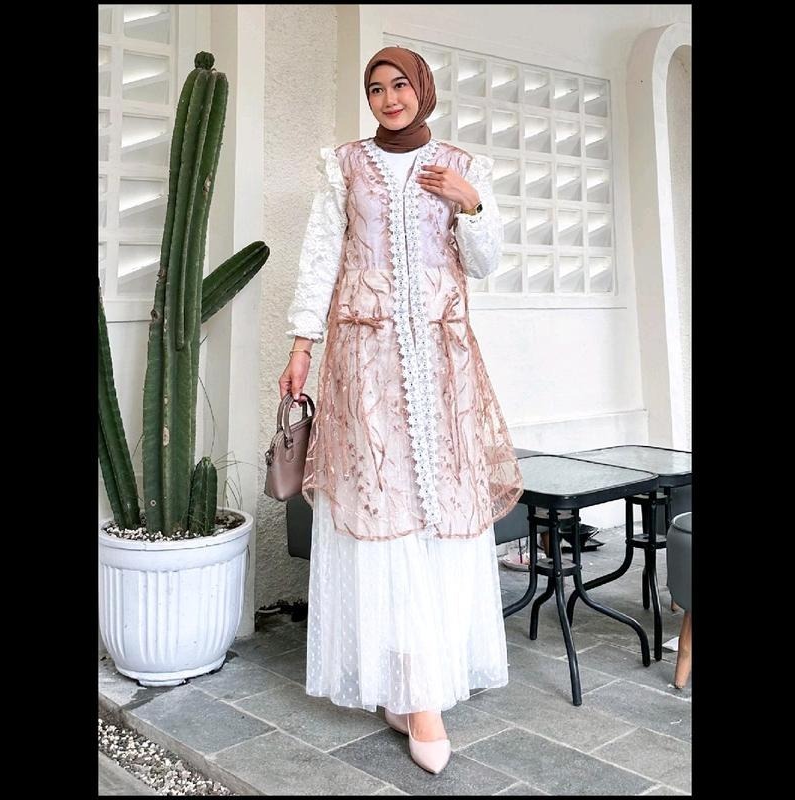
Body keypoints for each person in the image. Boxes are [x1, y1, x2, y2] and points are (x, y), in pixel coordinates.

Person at [279, 45, 523, 775]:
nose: (389, 98)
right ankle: (415, 693)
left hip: (442, 366)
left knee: (436, 511)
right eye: (376, 88)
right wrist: (301, 345)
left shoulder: (460, 165)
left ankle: (419, 682)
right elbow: (320, 258)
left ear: (423, 90)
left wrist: (470, 204)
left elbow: (485, 263)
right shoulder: (345, 166)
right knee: (383, 509)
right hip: (364, 360)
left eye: (400, 86)